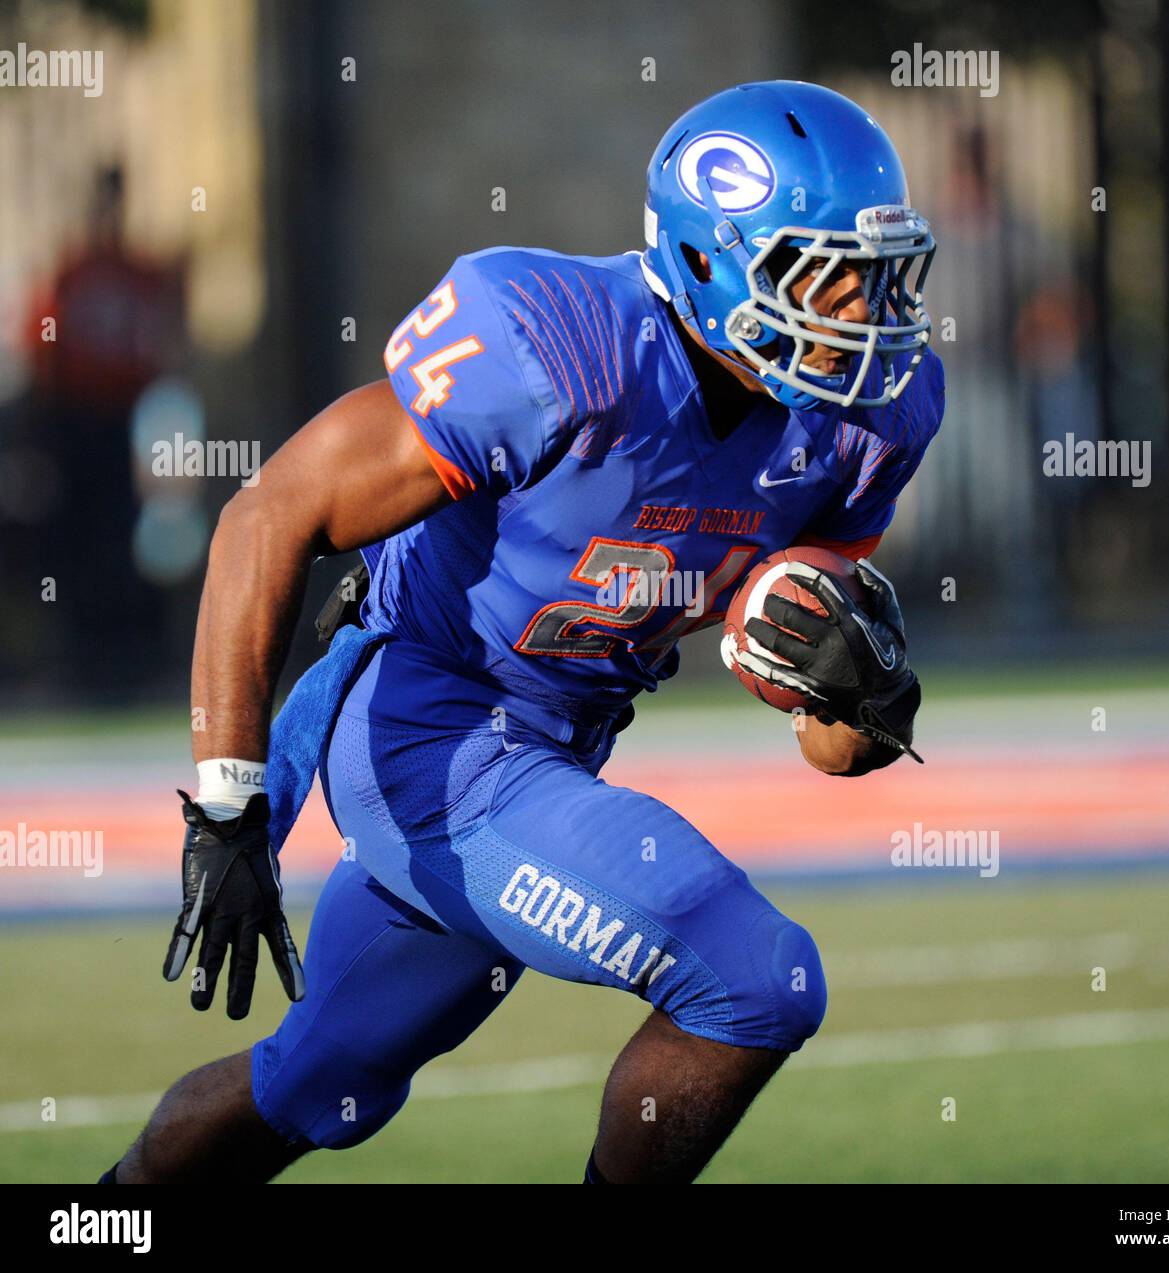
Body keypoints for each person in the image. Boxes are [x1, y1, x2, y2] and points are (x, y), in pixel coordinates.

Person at [102, 80, 944, 1185]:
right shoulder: (558, 347)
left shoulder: (864, 423)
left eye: (877, 274)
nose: (860, 309)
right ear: (709, 257)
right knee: (755, 979)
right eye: (820, 271)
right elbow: (269, 514)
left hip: (556, 744)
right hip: (427, 721)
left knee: (313, 1087)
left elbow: (832, 743)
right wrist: (227, 802)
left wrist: (869, 697)